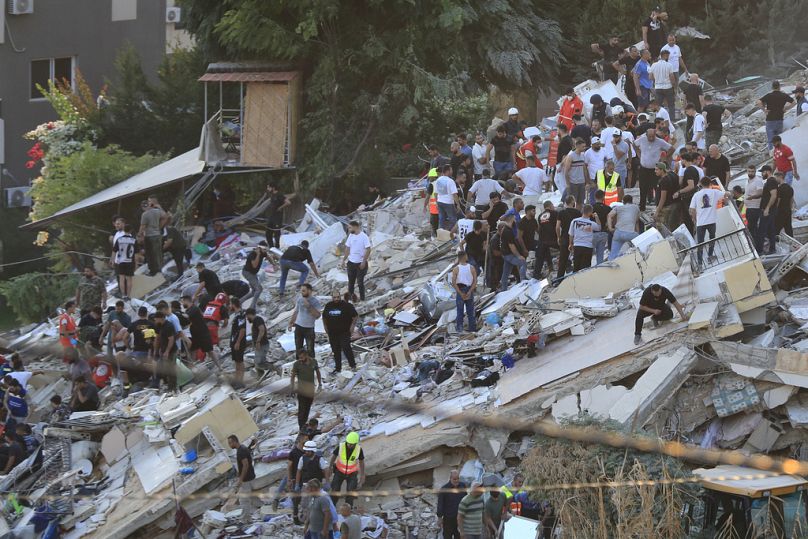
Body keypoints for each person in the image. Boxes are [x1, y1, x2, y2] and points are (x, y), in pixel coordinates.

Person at [689, 177, 729, 265]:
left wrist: (694, 219)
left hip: (700, 223)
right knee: (712, 239)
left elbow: (691, 209)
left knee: (700, 243)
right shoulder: (715, 192)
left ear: (700, 184)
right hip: (711, 221)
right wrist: (727, 198)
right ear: (710, 183)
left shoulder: (696, 195)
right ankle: (710, 256)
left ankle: (700, 262)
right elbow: (727, 194)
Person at [634, 128, 672, 211]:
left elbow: (671, 149)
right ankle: (642, 207)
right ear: (646, 135)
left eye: (653, 136)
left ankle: (658, 207)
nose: (651, 138)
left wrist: (664, 158)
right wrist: (639, 154)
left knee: (657, 187)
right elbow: (634, 144)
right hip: (644, 168)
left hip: (655, 169)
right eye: (649, 136)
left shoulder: (660, 141)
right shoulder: (642, 139)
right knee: (643, 188)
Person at [322, 290, 358, 374]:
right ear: (332, 298)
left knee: (346, 348)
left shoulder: (346, 305)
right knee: (336, 350)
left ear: (340, 296)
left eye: (338, 297)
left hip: (344, 332)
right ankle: (338, 368)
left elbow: (355, 316)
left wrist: (352, 326)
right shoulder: (328, 306)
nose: (336, 299)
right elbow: (324, 317)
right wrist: (325, 327)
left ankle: (352, 365)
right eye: (334, 297)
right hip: (332, 333)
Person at [329, 431, 365, 507]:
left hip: (352, 474)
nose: (349, 445)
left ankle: (348, 509)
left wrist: (362, 477)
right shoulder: (341, 446)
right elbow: (333, 457)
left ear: (355, 444)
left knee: (350, 492)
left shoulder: (358, 450)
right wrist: (330, 467)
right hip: (339, 472)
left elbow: (362, 462)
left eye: (352, 444)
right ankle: (332, 507)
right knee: (335, 490)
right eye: (348, 443)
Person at [290, 350, 322, 429]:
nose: (300, 359)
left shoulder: (313, 362)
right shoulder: (297, 364)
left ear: (306, 355)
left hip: (310, 390)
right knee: (302, 410)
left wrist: (320, 383)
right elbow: (293, 376)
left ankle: (304, 424)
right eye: (299, 358)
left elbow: (318, 372)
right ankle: (301, 427)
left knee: (307, 407)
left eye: (302, 357)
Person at [758, 80, 795, 149]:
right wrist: (786, 108)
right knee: (779, 140)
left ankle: (773, 156)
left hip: (770, 120)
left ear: (772, 87)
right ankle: (780, 152)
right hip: (779, 120)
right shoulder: (783, 95)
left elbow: (759, 102)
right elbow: (794, 102)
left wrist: (764, 110)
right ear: (779, 87)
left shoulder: (769, 96)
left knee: (771, 140)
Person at [288, 283, 321, 358]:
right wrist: (291, 322)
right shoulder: (300, 299)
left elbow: (317, 316)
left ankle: (311, 366)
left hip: (309, 328)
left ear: (309, 291)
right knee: (298, 348)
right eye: (301, 291)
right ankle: (299, 366)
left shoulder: (315, 301)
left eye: (303, 291)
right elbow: (296, 311)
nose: (302, 293)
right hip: (299, 327)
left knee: (310, 349)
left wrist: (309, 306)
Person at [341, 221, 372, 301]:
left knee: (360, 283)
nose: (348, 228)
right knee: (350, 283)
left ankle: (362, 299)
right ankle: (350, 300)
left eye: (350, 227)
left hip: (360, 263)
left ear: (356, 227)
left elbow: (368, 249)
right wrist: (343, 260)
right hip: (351, 263)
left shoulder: (364, 237)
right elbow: (347, 248)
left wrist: (364, 261)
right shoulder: (351, 236)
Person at [139, 194, 167, 275]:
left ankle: (153, 271)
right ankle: (160, 270)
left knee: (150, 254)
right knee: (158, 253)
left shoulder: (144, 214)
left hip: (149, 236)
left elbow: (143, 226)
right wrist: (159, 226)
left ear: (143, 207)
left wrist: (139, 235)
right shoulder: (157, 211)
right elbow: (165, 216)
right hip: (157, 235)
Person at [228, 434, 257, 513]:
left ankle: (246, 519)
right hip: (250, 476)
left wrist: (241, 479)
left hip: (247, 479)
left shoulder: (241, 451)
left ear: (234, 442)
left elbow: (245, 465)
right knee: (250, 497)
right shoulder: (242, 448)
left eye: (230, 443)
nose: (229, 445)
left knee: (244, 501)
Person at [569, 204, 600, 272]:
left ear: (582, 211)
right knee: (585, 269)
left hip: (577, 246)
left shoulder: (574, 221)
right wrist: (596, 217)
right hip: (588, 247)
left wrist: (570, 244)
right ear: (590, 213)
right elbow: (599, 228)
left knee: (576, 267)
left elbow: (571, 234)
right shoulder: (591, 223)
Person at [499, 214, 526, 292]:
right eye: (514, 219)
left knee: (506, 271)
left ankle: (503, 289)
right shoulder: (507, 231)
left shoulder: (506, 229)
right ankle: (523, 283)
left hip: (505, 254)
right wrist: (518, 256)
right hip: (509, 254)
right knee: (522, 262)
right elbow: (511, 246)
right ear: (511, 219)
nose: (515, 221)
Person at [451, 252, 477, 333]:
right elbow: (475, 281)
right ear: (465, 256)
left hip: (460, 289)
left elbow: (453, 282)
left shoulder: (456, 269)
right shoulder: (472, 267)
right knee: (470, 311)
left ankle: (460, 329)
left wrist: (460, 292)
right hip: (469, 289)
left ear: (458, 258)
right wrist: (470, 291)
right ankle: (472, 329)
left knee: (460, 311)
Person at [437, 470, 467, 539]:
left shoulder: (463, 486)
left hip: (460, 518)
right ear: (450, 478)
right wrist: (439, 518)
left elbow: (466, 500)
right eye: (454, 479)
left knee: (459, 536)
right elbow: (440, 504)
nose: (456, 481)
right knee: (447, 536)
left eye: (458, 479)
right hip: (448, 519)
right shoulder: (444, 489)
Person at [152, 311, 177, 391]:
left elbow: (171, 339)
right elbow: (158, 338)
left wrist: (167, 351)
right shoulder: (159, 326)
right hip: (162, 351)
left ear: (161, 318)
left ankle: (172, 387)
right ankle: (166, 384)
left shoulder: (168, 326)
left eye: (156, 319)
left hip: (171, 351)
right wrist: (157, 350)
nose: (155, 321)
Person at [110, 224, 136, 300]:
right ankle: (128, 295)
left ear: (124, 230)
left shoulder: (119, 239)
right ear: (131, 230)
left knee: (121, 278)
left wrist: (112, 261)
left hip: (121, 261)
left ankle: (123, 295)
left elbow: (114, 251)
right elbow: (136, 253)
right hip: (130, 261)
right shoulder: (133, 240)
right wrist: (136, 263)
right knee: (129, 279)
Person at [563, 138, 590, 208]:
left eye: (585, 146)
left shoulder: (583, 155)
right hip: (573, 182)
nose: (584, 148)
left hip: (581, 182)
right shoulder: (571, 156)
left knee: (580, 202)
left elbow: (584, 169)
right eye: (582, 146)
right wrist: (568, 184)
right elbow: (566, 171)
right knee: (572, 202)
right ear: (577, 146)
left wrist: (587, 182)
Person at [758, 168, 780, 254]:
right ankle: (772, 249)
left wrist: (767, 208)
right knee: (771, 230)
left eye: (763, 172)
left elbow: (774, 196)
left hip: (768, 210)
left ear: (767, 172)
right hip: (769, 210)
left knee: (761, 230)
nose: (762, 174)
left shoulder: (771, 181)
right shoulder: (770, 181)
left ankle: (759, 251)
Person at [655, 162, 681, 233]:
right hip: (673, 204)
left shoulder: (664, 181)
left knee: (660, 227)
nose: (655, 171)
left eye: (657, 170)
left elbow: (663, 198)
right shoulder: (672, 175)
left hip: (665, 207)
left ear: (662, 170)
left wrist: (657, 211)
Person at [228, 297, 247, 386]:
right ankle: (237, 380)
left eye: (230, 304)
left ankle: (241, 381)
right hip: (234, 341)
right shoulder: (236, 314)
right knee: (236, 361)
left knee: (240, 361)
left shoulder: (240, 315)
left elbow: (242, 330)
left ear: (233, 304)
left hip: (238, 342)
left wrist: (238, 342)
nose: (229, 306)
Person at [435, 164, 461, 231]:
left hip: (440, 201)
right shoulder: (450, 181)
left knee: (441, 219)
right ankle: (452, 234)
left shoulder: (438, 180)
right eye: (451, 170)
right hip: (448, 203)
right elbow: (454, 194)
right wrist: (458, 204)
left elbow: (436, 193)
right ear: (448, 171)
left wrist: (436, 202)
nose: (452, 171)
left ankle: (441, 233)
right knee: (452, 219)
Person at [265, 183, 291, 248]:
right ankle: (271, 247)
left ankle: (277, 247)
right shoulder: (272, 195)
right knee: (268, 233)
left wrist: (280, 207)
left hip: (277, 218)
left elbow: (288, 202)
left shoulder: (279, 195)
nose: (267, 189)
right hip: (271, 217)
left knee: (276, 233)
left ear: (273, 188)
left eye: (269, 187)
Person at [591, 191, 612, 265]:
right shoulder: (608, 208)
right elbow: (611, 220)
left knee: (588, 255)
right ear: (603, 197)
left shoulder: (591, 207)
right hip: (603, 234)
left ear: (595, 197)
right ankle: (599, 270)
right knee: (600, 256)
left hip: (592, 234)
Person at [774, 171, 795, 237]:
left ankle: (773, 245)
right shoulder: (790, 188)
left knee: (776, 230)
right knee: (788, 229)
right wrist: (790, 210)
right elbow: (791, 201)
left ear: (780, 177)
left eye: (776, 178)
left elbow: (778, 202)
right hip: (788, 211)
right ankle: (793, 245)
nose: (775, 180)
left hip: (780, 212)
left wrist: (774, 211)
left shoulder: (779, 189)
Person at [424, 168, 441, 235]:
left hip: (434, 209)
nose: (429, 179)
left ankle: (435, 235)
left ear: (434, 177)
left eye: (430, 177)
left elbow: (427, 197)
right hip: (443, 207)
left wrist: (424, 206)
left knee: (434, 225)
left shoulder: (432, 185)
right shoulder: (441, 182)